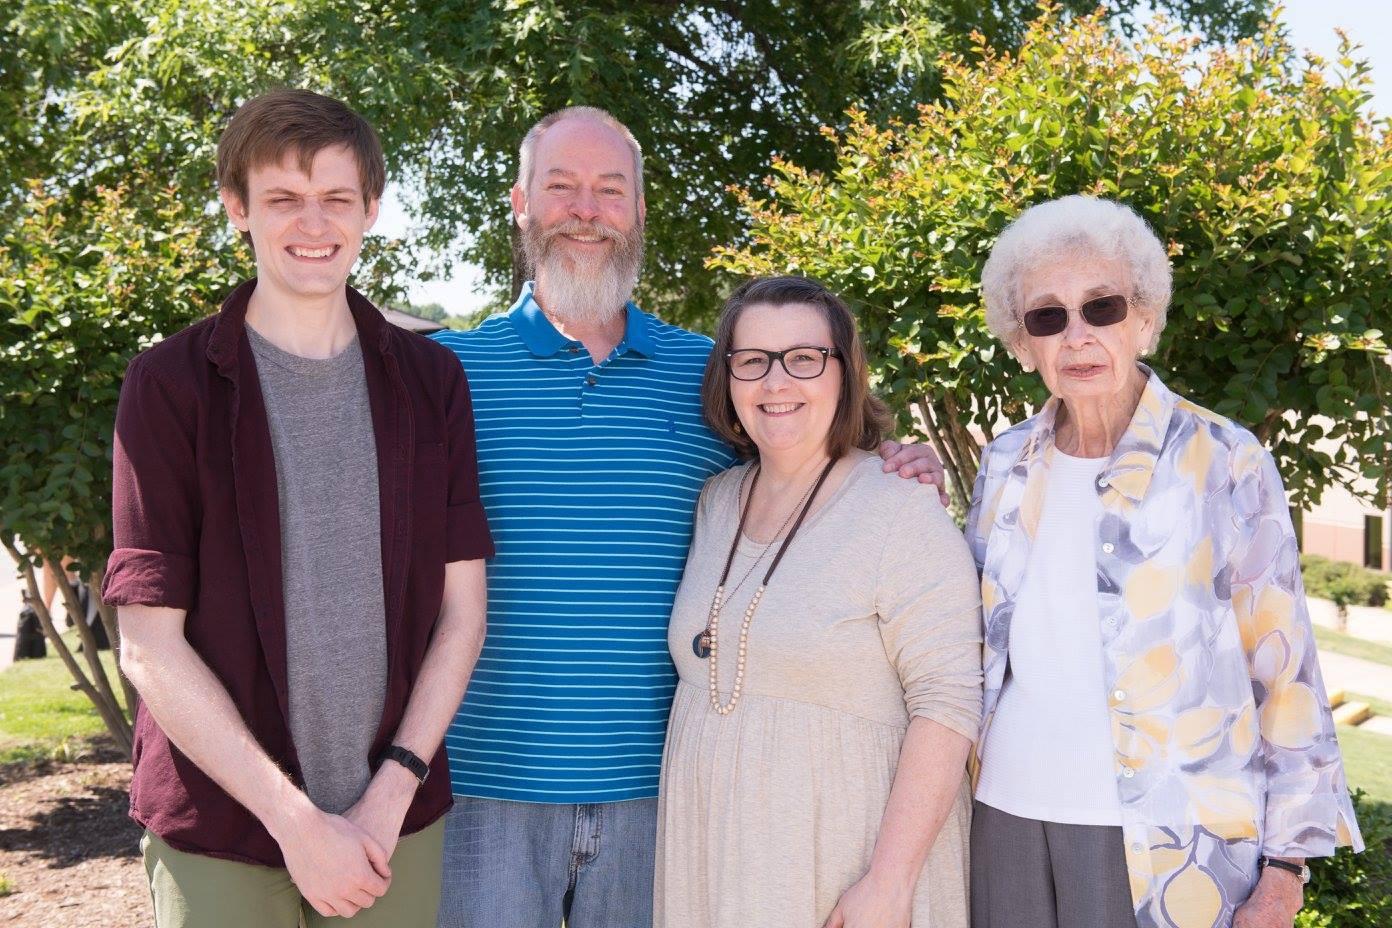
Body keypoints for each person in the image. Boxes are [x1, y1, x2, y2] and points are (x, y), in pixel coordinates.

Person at [431, 107, 945, 928]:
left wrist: (896, 454)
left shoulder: (705, 375)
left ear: (638, 210)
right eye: (561, 187)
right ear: (520, 204)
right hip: (483, 790)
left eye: (611, 189)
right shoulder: (446, 373)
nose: (586, 210)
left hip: (666, 791)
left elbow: (805, 453)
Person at [103, 89, 493, 928]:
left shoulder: (432, 383)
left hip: (392, 821)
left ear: (372, 210)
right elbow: (148, 645)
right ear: (237, 207)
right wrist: (294, 822)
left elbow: (462, 615)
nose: (311, 222)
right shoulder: (168, 388)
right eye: (282, 198)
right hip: (225, 829)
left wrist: (392, 789)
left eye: (335, 198)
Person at [965, 195, 1363, 928]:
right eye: (1047, 317)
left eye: (1102, 308)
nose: (1076, 336)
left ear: (1144, 317)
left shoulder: (1227, 460)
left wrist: (1285, 870)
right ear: (1023, 343)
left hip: (1170, 837)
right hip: (1004, 814)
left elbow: (1286, 674)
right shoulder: (1004, 464)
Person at [656, 276, 983, 928]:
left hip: (846, 866)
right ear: (728, 377)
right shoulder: (716, 500)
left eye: (804, 358)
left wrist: (889, 884)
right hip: (715, 860)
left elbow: (949, 704)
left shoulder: (898, 508)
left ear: (845, 373)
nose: (776, 383)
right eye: (752, 361)